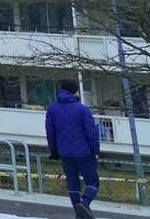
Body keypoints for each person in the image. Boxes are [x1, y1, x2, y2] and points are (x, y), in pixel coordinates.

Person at [46, 80, 102, 219]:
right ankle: (84, 204)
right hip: (84, 153)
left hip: (65, 152)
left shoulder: (52, 109)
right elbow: (92, 133)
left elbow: (50, 131)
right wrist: (95, 150)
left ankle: (79, 214)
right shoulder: (82, 109)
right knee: (92, 181)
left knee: (73, 183)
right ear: (74, 92)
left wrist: (53, 150)